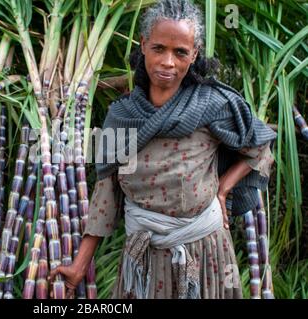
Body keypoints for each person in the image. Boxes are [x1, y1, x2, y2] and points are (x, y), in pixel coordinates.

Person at [50, 0, 276, 299]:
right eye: (159, 48)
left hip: (205, 251)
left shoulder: (212, 105)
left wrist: (222, 190)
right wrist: (79, 266)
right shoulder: (121, 116)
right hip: (143, 255)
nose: (168, 62)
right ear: (143, 45)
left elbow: (259, 145)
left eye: (180, 52)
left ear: (194, 54)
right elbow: (106, 194)